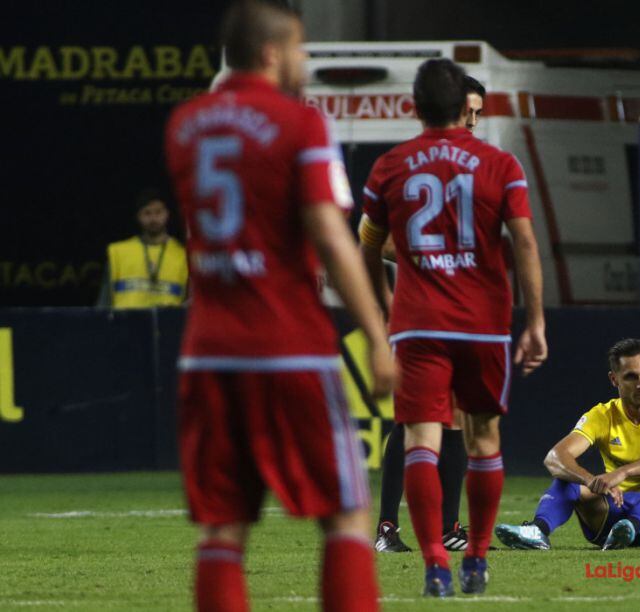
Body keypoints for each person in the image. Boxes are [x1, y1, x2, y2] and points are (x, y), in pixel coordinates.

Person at [165, 2, 396, 611]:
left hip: (208, 354)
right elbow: (327, 232)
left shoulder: (185, 125)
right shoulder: (300, 124)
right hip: (288, 346)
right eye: (300, 48)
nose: (306, 60)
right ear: (271, 53)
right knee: (346, 514)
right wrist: (376, 334)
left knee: (222, 528)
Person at [359, 58, 547, 596]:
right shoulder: (500, 164)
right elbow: (525, 243)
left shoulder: (390, 166)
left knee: (420, 439)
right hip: (483, 325)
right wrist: (534, 321)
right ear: (463, 106)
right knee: (484, 439)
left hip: (417, 324)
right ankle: (478, 558)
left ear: (413, 106)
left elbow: (366, 245)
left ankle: (435, 563)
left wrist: (382, 310)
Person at [375, 74, 488, 554]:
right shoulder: (420, 165)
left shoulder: (474, 166)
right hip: (423, 318)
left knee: (456, 419)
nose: (475, 120)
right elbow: (375, 241)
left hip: (461, 317)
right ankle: (386, 528)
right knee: (414, 420)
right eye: (471, 111)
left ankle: (445, 528)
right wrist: (432, 261)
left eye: (480, 113)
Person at [495, 339, 640, 552]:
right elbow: (555, 457)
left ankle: (633, 527)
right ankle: (538, 530)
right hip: (619, 510)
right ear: (614, 380)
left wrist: (622, 472)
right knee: (567, 478)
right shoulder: (602, 416)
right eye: (631, 377)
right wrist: (589, 480)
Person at [97, 190, 188, 308]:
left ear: (167, 214)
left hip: (168, 325)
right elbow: (103, 305)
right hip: (125, 324)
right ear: (138, 216)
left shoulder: (183, 256)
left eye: (158, 212)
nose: (153, 218)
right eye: (147, 213)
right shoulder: (119, 252)